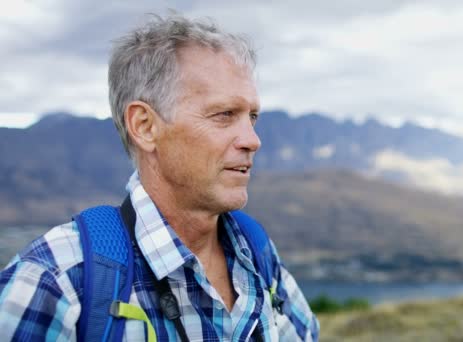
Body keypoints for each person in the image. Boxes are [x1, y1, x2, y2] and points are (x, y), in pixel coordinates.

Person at [0, 14, 319, 341]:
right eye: (224, 115)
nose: (253, 140)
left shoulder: (258, 255)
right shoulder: (57, 280)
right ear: (144, 126)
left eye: (251, 117)